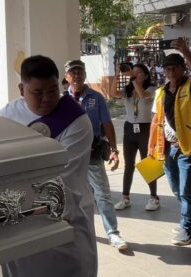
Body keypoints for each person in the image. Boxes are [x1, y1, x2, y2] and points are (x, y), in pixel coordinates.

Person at [0, 55, 97, 277]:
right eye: (37, 92)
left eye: (52, 90)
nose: (46, 99)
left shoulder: (76, 121)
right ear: (22, 89)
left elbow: (63, 174)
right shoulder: (7, 115)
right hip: (18, 216)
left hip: (66, 210)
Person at [148, 38, 191, 246]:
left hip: (189, 148)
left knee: (186, 190)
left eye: (175, 66)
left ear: (183, 68)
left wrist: (186, 51)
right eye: (167, 67)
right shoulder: (161, 92)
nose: (171, 70)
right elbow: (157, 120)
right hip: (167, 148)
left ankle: (188, 227)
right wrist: (151, 146)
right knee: (176, 189)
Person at [64, 59, 128, 251]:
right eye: (72, 72)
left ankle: (113, 233)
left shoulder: (96, 97)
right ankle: (75, 231)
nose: (76, 75)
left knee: (102, 195)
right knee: (70, 196)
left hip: (93, 153)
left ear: (84, 74)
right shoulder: (62, 101)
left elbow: (107, 124)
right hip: (71, 157)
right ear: (66, 77)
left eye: (79, 72)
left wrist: (115, 150)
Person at [114, 63, 160, 211]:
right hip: (129, 128)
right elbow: (112, 92)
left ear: (146, 76)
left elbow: (142, 95)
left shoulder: (152, 89)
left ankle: (154, 198)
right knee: (129, 164)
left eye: (139, 73)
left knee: (148, 162)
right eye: (134, 72)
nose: (135, 75)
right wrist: (116, 75)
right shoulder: (128, 90)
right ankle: (125, 197)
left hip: (145, 128)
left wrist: (132, 79)